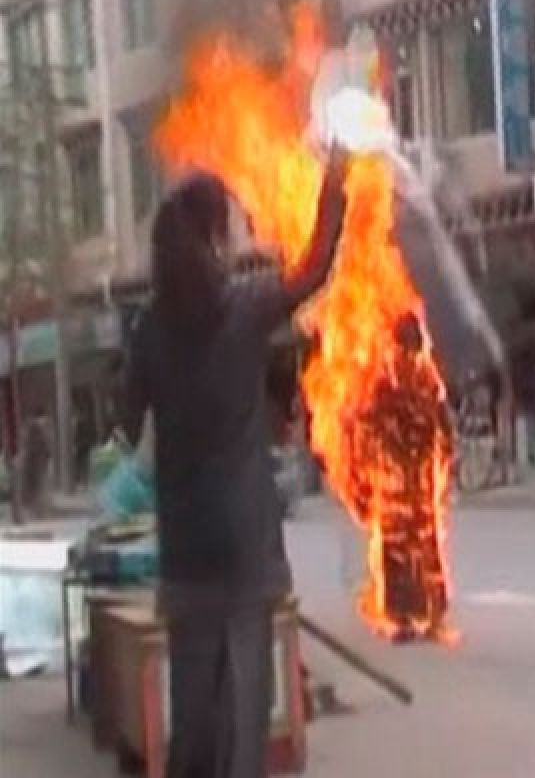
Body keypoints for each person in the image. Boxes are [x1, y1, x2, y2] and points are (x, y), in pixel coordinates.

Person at [120, 151, 347, 778]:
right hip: (245, 551)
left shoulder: (147, 330)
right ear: (217, 236)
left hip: (188, 555)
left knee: (194, 724)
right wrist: (337, 174)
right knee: (246, 728)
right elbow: (315, 269)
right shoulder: (244, 308)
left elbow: (126, 414)